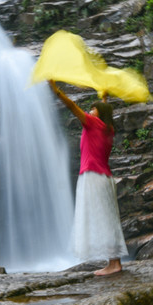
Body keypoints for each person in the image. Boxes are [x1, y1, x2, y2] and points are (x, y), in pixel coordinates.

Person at [48, 80, 127, 275]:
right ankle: (113, 262)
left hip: (92, 177)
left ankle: (114, 264)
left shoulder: (92, 124)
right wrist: (104, 96)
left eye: (93, 110)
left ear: (99, 114)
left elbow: (72, 106)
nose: (90, 112)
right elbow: (104, 110)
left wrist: (57, 91)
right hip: (104, 178)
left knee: (103, 219)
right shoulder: (108, 128)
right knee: (107, 217)